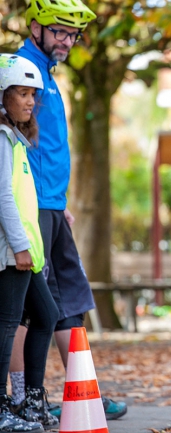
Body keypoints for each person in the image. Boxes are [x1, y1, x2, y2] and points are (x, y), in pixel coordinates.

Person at [8, 0, 127, 421]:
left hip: (53, 207)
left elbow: (49, 147)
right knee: (26, 308)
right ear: (36, 26)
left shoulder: (49, 76)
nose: (67, 40)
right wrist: (35, 206)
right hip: (33, 208)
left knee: (66, 304)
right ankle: (22, 398)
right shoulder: (22, 72)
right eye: (60, 30)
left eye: (73, 34)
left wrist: (61, 204)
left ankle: (85, 394)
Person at [0, 53, 60, 431]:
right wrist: (21, 246)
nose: (28, 101)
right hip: (11, 252)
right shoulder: (3, 139)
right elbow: (4, 197)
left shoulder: (17, 141)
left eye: (31, 95)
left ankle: (29, 399)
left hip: (26, 254)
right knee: (6, 326)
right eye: (20, 93)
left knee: (47, 316)